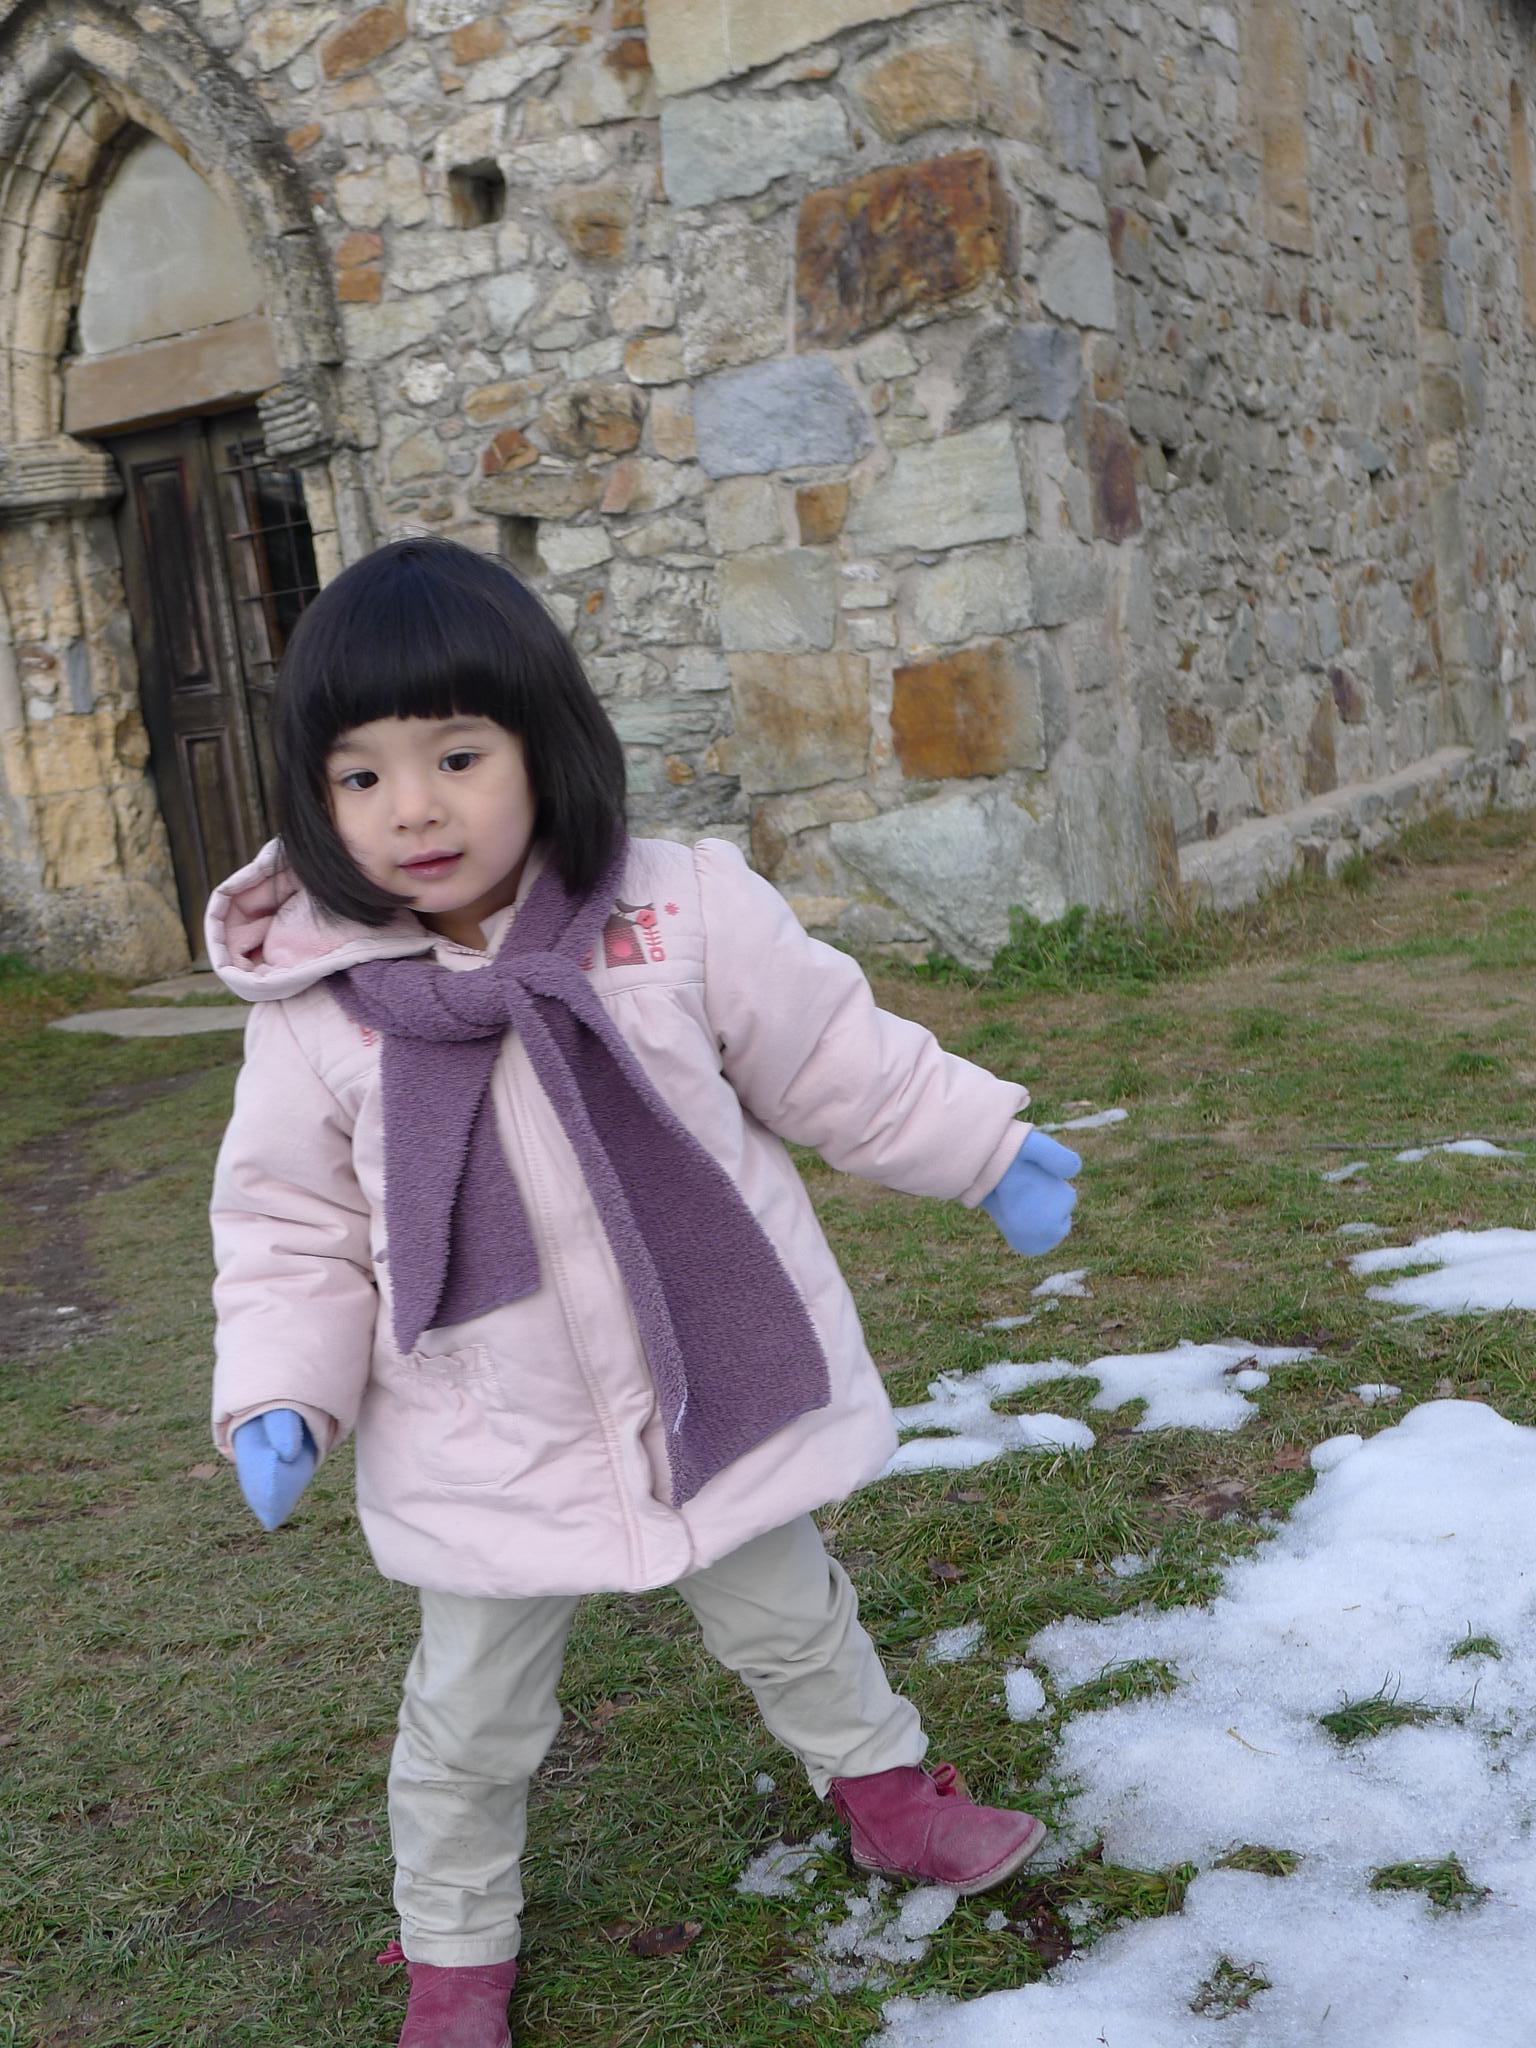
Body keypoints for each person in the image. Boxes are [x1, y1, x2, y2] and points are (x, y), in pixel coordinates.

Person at [206, 536, 1081, 2048]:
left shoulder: (674, 914)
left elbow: (832, 1056)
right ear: (314, 796)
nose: (414, 809)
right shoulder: (319, 1017)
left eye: (457, 756)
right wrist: (282, 1391)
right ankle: (456, 1953)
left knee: (794, 1611)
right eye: (361, 776)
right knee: (471, 1714)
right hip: (486, 1429)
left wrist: (983, 1149)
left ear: (543, 742)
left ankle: (887, 1792)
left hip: (708, 1378)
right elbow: (292, 1229)